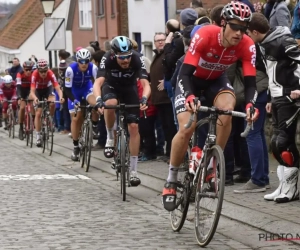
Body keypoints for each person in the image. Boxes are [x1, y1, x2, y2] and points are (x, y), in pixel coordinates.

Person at [161, 1, 259, 211]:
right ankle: (171, 179)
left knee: (228, 109)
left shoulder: (247, 44)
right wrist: (189, 96)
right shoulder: (205, 35)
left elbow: (251, 82)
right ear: (223, 23)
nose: (239, 33)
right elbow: (185, 74)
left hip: (216, 80)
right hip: (189, 79)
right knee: (188, 125)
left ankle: (212, 165)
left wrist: (251, 104)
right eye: (235, 26)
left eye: (244, 28)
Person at [247, 13, 300, 203]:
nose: (247, 36)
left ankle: (292, 189)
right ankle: (284, 186)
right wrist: (270, 96)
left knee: (282, 142)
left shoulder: (284, 41)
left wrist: (298, 88)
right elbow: (271, 71)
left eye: (248, 32)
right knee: (276, 144)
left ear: (254, 31)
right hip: (276, 96)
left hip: (289, 96)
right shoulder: (263, 44)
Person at [93, 36, 151, 186]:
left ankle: (133, 171)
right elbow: (98, 82)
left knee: (133, 127)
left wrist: (144, 99)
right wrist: (98, 99)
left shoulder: (137, 58)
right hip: (111, 86)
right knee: (110, 103)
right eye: (121, 58)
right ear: (114, 54)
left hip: (129, 89)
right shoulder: (108, 58)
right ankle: (110, 138)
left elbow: (146, 84)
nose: (125, 61)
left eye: (128, 57)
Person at [64, 48, 98, 161]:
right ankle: (75, 146)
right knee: (76, 118)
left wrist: (99, 99)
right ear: (77, 61)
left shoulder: (93, 68)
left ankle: (94, 125)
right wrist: (74, 100)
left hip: (87, 88)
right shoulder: (70, 70)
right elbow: (67, 90)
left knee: (95, 102)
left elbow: (99, 84)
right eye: (81, 61)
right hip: (74, 92)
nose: (84, 64)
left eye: (86, 61)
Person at [30, 59, 64, 147]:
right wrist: (35, 98)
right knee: (38, 113)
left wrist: (61, 97)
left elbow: (57, 88)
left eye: (45, 71)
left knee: (52, 103)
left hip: (47, 89)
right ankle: (38, 136)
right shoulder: (34, 74)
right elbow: (32, 92)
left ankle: (50, 118)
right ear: (38, 70)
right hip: (38, 91)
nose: (44, 73)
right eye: (41, 71)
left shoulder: (50, 73)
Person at [16, 60, 35, 140]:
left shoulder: (33, 74)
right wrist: (20, 97)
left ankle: (33, 121)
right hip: (22, 90)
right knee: (22, 108)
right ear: (23, 68)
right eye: (26, 69)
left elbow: (35, 87)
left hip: (30, 90)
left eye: (30, 69)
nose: (28, 71)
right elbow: (18, 86)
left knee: (33, 104)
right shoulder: (19, 74)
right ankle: (21, 127)